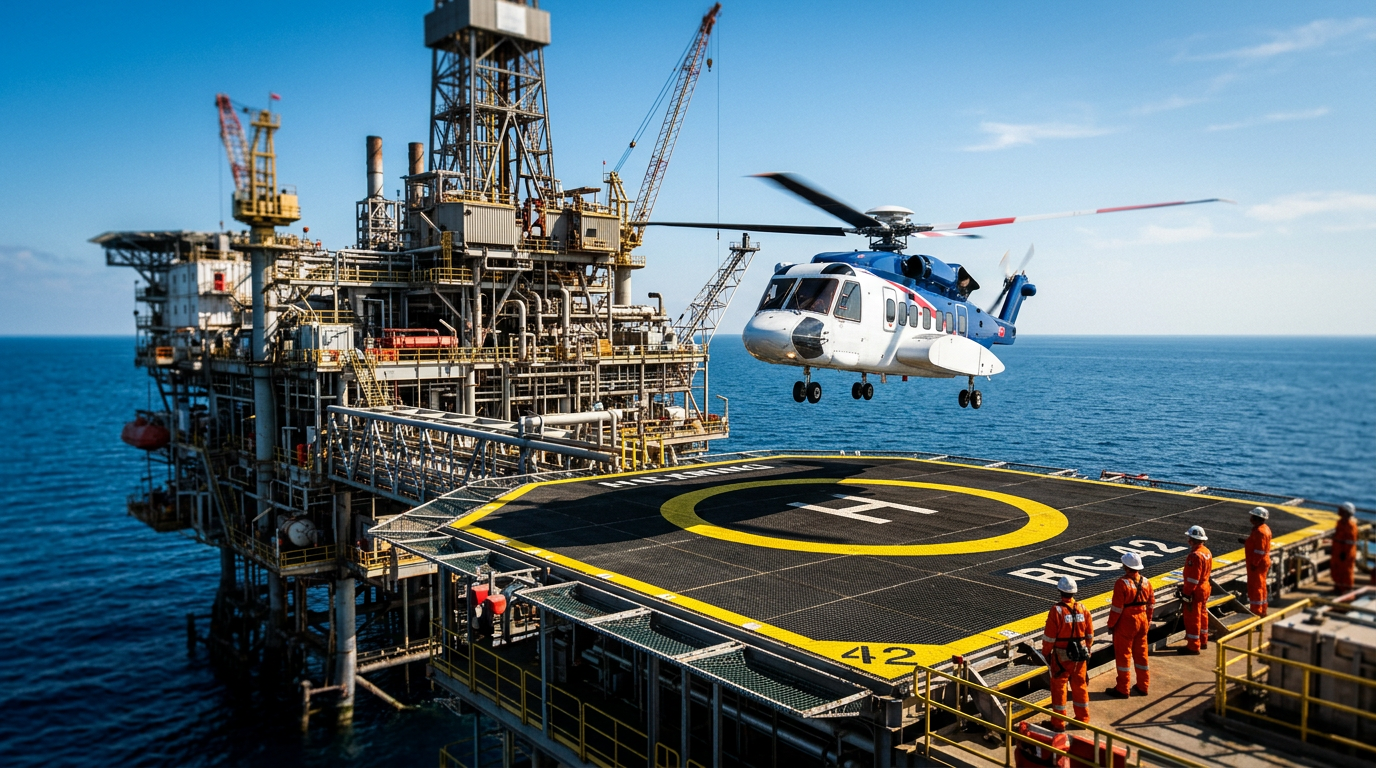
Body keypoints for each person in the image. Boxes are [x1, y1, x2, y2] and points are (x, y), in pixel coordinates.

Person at [1042, 576, 1093, 731]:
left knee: (1059, 688)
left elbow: (1049, 637)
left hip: (1061, 656)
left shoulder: (1056, 611)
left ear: (1060, 591)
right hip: (1080, 656)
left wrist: (1046, 653)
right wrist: (1087, 650)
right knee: (1080, 686)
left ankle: (1058, 723)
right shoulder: (1083, 608)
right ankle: (1082, 719)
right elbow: (1089, 634)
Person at [1105, 552, 1154, 698]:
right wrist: (1148, 620)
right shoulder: (1146, 582)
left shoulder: (1121, 583)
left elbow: (1117, 608)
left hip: (1127, 622)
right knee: (1142, 655)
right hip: (1143, 620)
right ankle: (1143, 686)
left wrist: (1111, 624)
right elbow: (1151, 604)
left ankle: (1122, 688)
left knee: (1124, 656)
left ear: (1125, 566)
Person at [1180, 526, 1213, 654]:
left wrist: (1186, 593)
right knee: (1203, 614)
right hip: (1205, 587)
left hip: (1196, 590)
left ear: (1192, 539)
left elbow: (1193, 578)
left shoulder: (1195, 556)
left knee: (1193, 617)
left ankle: (1193, 646)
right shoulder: (1206, 552)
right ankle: (1203, 640)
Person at [1237, 507, 1272, 617]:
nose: (1250, 518)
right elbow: (1258, 545)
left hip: (1257, 564)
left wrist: (1254, 564)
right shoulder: (1264, 528)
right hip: (1262, 562)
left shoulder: (1260, 532)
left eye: (1252, 516)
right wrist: (1246, 542)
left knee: (1255, 588)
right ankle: (1262, 610)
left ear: (1256, 518)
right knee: (1261, 587)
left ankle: (1256, 612)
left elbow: (1260, 550)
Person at [1332, 502, 1359, 595]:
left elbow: (1351, 542)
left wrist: (1345, 552)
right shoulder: (1340, 523)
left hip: (1346, 553)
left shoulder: (1350, 525)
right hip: (1338, 550)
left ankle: (1347, 589)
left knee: (1346, 571)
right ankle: (1338, 587)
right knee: (1336, 569)